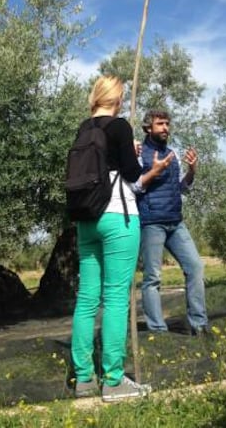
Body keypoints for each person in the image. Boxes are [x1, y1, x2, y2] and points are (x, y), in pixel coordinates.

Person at [70, 77, 172, 402]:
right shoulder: (120, 126)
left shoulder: (84, 129)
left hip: (86, 220)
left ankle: (84, 379)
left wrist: (126, 152)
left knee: (87, 300)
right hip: (118, 217)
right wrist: (135, 156)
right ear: (117, 98)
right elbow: (131, 175)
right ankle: (113, 381)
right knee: (116, 299)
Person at [137, 110, 209, 334]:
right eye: (160, 124)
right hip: (151, 222)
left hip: (176, 222)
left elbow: (182, 187)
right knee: (153, 277)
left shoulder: (172, 154)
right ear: (148, 128)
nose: (165, 128)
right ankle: (158, 330)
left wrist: (192, 170)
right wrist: (154, 170)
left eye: (167, 123)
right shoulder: (139, 153)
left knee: (195, 267)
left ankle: (199, 324)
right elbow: (135, 185)